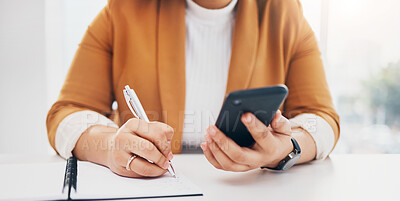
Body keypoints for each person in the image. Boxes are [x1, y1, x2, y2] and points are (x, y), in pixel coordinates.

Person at [46, 0, 340, 177]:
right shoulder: (124, 9)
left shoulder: (284, 13)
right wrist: (110, 146)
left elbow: (321, 117)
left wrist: (289, 149)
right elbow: (67, 113)